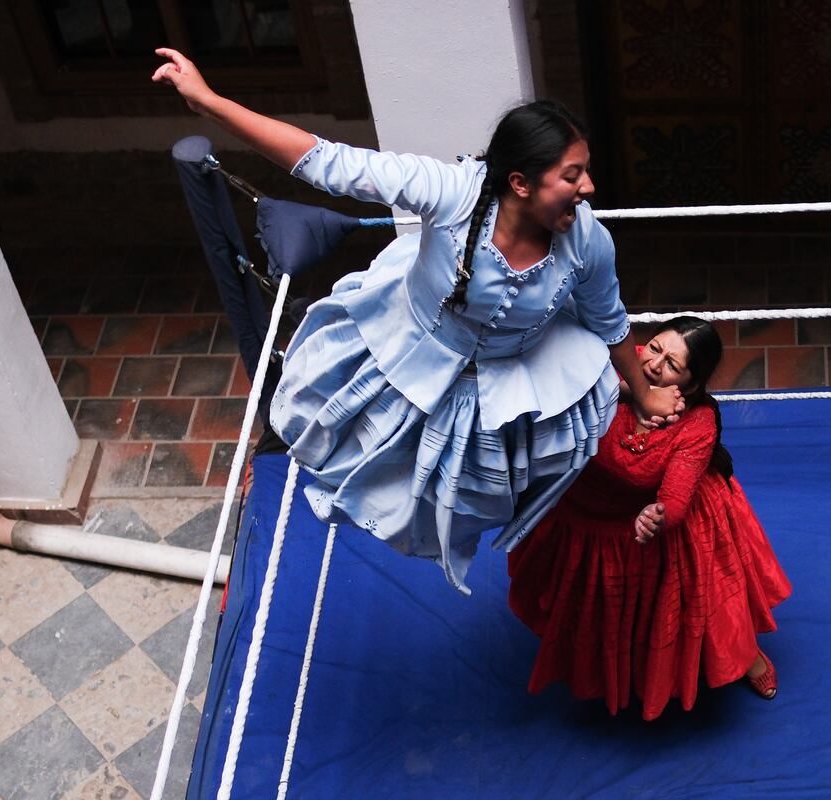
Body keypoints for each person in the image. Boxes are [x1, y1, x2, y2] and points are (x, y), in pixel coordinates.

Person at [152, 49, 683, 593]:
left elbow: (608, 319)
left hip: (507, 378)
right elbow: (327, 162)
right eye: (573, 175)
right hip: (411, 345)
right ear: (521, 183)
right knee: (368, 461)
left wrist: (642, 394)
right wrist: (209, 103)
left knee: (471, 494)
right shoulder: (451, 193)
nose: (590, 186)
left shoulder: (587, 241)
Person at [507, 316, 792, 720]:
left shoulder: (697, 422)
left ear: (690, 385)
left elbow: (674, 498)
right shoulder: (621, 364)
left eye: (672, 364)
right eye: (655, 347)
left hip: (657, 531)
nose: (655, 363)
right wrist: (632, 392)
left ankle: (746, 656)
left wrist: (658, 515)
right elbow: (556, 379)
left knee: (710, 610)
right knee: (591, 618)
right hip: (583, 520)